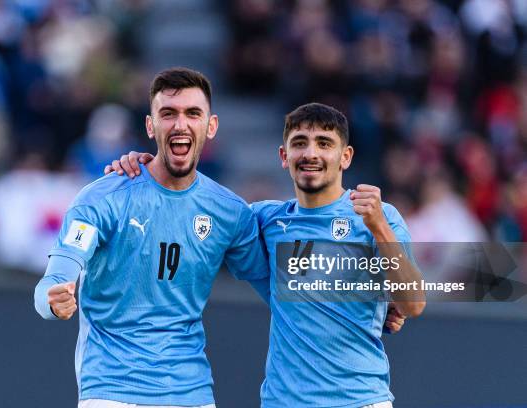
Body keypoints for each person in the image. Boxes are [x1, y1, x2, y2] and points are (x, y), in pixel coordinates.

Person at [110, 103, 424, 408]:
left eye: (324, 143)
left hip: (358, 399)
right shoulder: (266, 220)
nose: (311, 154)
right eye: (299, 143)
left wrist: (380, 230)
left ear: (345, 157)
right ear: (284, 157)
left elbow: (413, 303)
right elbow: (192, 207)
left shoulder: (379, 217)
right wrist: (146, 167)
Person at [34, 67, 271, 408]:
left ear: (211, 125)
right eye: (168, 114)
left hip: (192, 393)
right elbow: (55, 278)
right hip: (111, 390)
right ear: (150, 126)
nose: (180, 124)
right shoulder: (103, 198)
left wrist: (366, 308)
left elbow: (277, 290)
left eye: (193, 113)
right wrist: (53, 302)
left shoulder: (229, 212)